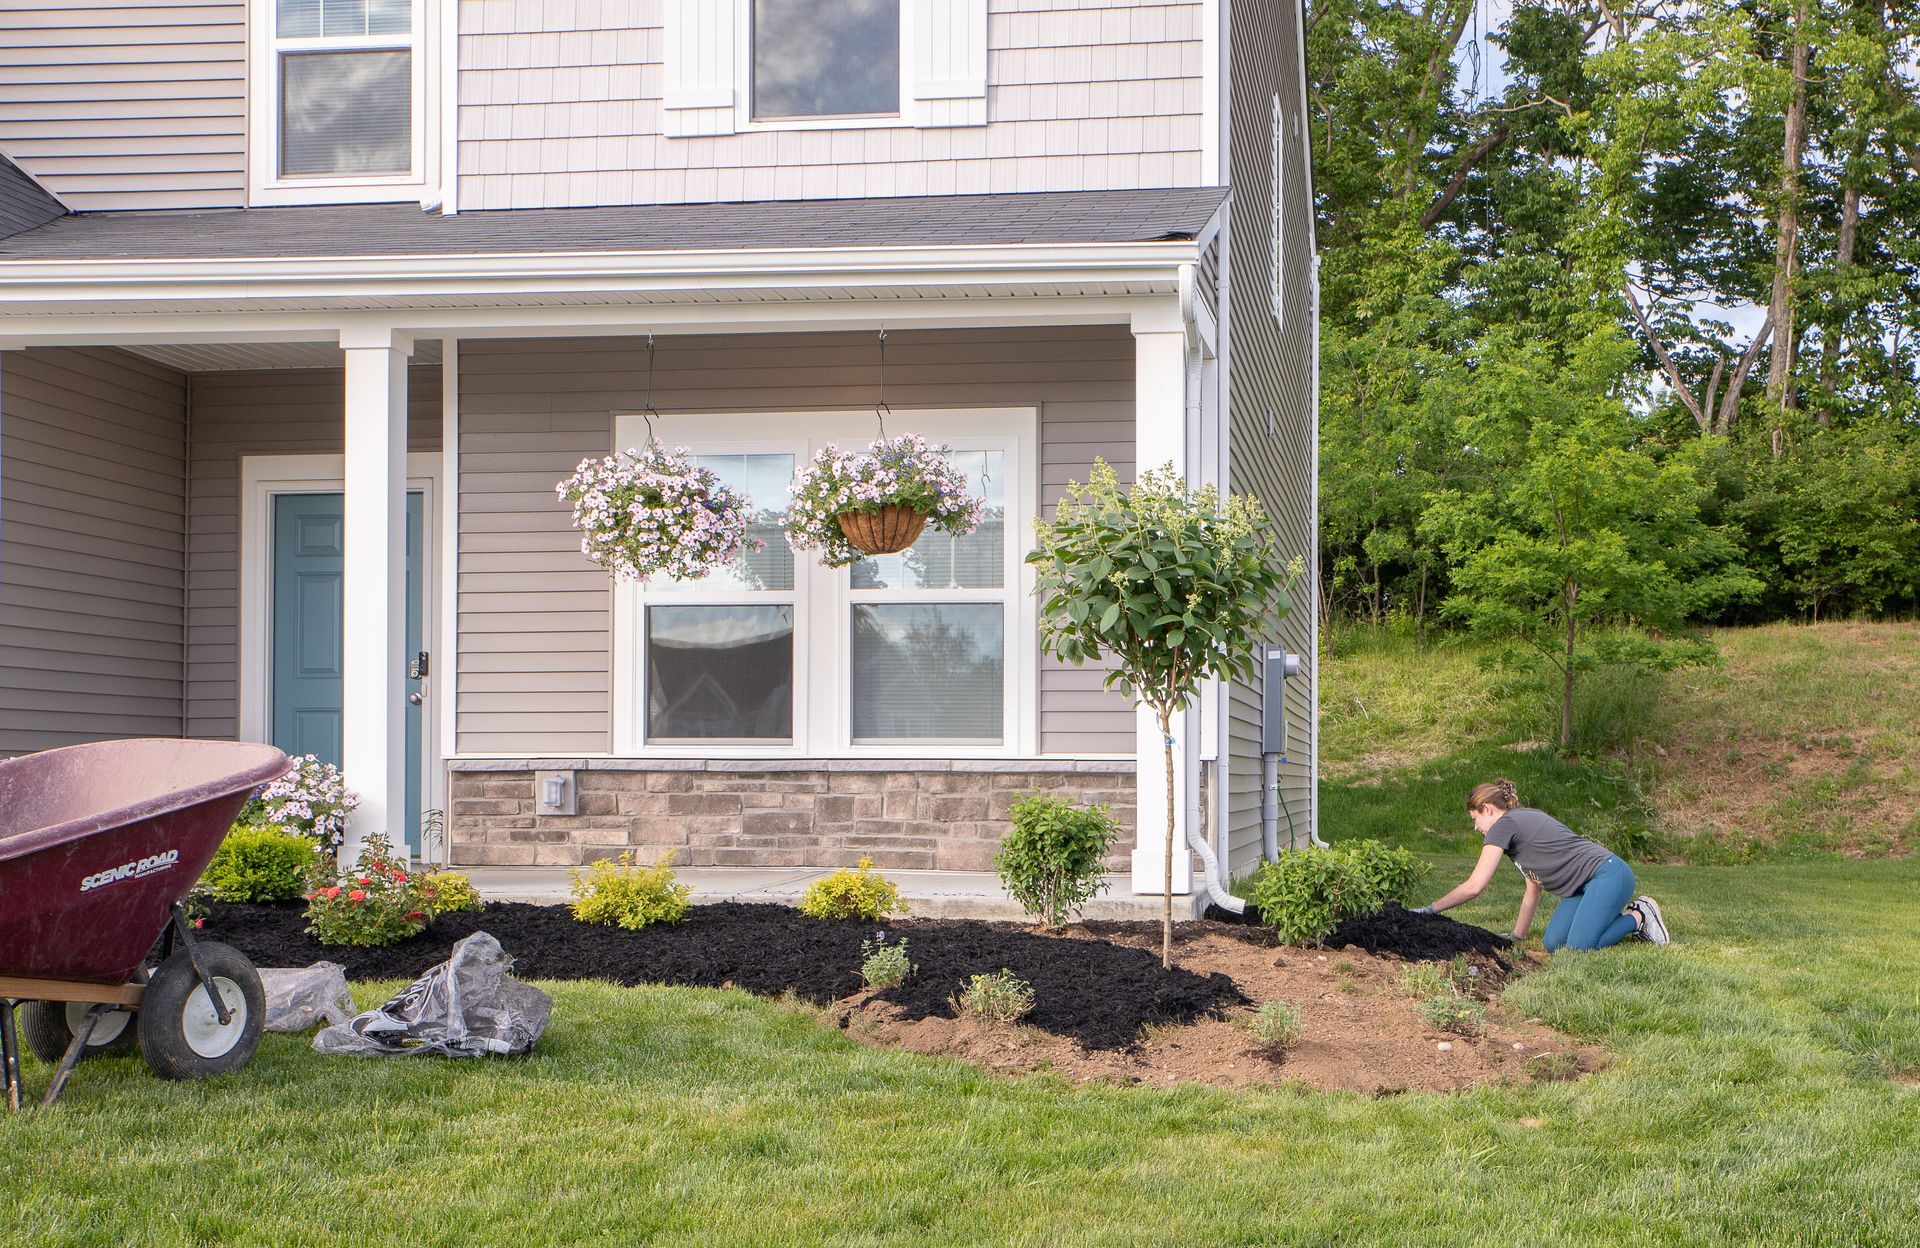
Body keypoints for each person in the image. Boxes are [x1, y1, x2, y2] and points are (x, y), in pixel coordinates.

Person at [1413, 779, 1669, 950]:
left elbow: (1474, 886)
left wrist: (1430, 909)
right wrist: (1517, 936)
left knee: (1580, 947)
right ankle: (1602, 914)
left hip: (1609, 874)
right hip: (1585, 887)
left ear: (1487, 809)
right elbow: (1533, 888)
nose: (1476, 827)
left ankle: (1639, 915)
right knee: (1554, 944)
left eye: (1475, 818)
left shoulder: (1504, 826)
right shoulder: (1517, 825)